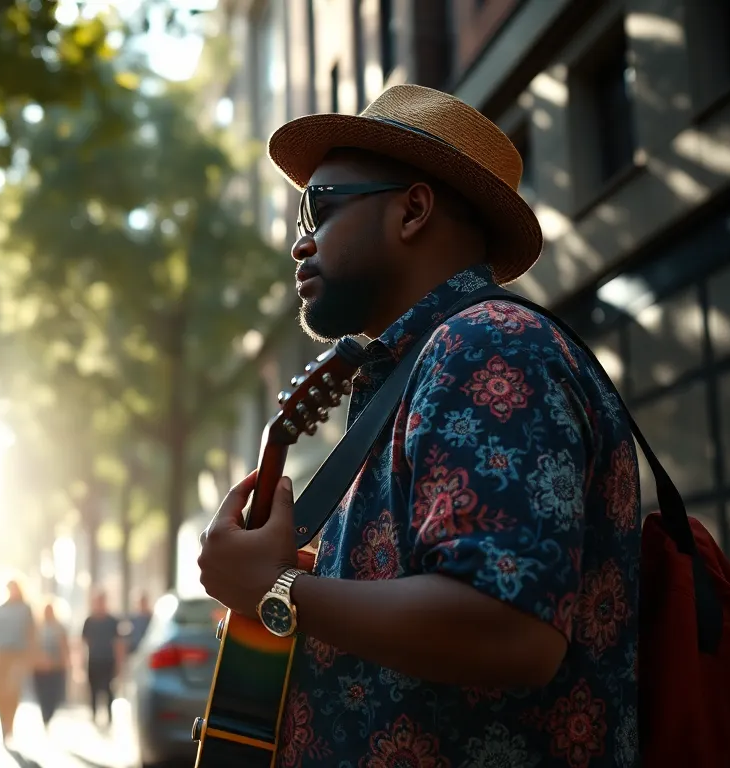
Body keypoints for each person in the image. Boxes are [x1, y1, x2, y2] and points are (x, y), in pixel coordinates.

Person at [196, 84, 640, 766]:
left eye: (318, 207)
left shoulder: (489, 345)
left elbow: (511, 629)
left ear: (412, 210)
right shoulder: (431, 365)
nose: (299, 243)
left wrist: (278, 590)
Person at [0, 580, 34, 742]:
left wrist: (31, 656)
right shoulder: (0, 610)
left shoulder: (25, 610)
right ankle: (3, 724)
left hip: (17, 655)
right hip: (0, 655)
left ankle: (10, 722)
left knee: (13, 691)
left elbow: (31, 633)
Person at [80, 591, 121, 728]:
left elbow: (118, 643)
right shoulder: (89, 621)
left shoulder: (112, 621)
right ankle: (94, 715)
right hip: (93, 660)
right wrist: (80, 663)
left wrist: (119, 663)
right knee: (93, 689)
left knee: (109, 690)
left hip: (108, 660)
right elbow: (83, 643)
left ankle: (109, 717)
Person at [32, 602, 70, 729]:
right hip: (40, 667)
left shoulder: (59, 627)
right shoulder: (38, 627)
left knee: (54, 693)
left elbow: (64, 646)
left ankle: (49, 714)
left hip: (56, 667)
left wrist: (66, 663)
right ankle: (45, 716)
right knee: (42, 693)